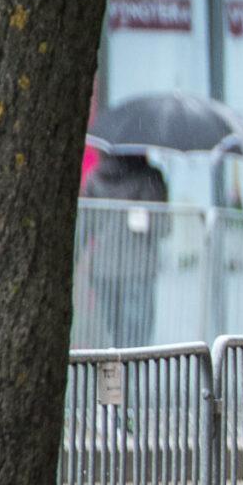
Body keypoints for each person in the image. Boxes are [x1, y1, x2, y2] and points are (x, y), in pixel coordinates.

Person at [80, 148, 170, 347]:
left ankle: (115, 368)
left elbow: (83, 227)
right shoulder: (149, 177)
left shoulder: (94, 177)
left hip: (102, 267)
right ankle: (131, 369)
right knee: (137, 340)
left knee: (111, 337)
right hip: (138, 267)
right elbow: (161, 226)